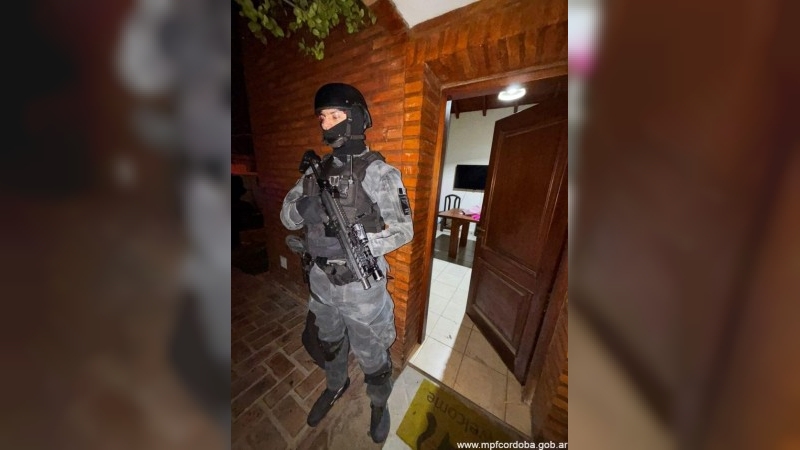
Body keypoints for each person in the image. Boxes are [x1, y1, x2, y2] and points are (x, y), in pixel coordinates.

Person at [280, 83, 413, 443]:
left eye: (334, 115)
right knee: (330, 340)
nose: (326, 123)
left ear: (354, 118)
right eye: (323, 117)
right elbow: (287, 217)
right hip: (320, 279)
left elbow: (404, 229)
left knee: (371, 350)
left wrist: (364, 244)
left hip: (360, 284)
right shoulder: (313, 173)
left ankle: (378, 403)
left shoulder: (379, 173)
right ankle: (336, 384)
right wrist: (302, 208)